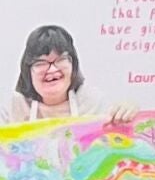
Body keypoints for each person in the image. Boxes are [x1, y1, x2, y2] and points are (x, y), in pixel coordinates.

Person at [5, 25, 137, 131]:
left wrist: (126, 113)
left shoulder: (93, 102)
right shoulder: (14, 108)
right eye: (40, 63)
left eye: (61, 59)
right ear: (27, 71)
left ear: (73, 65)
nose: (52, 69)